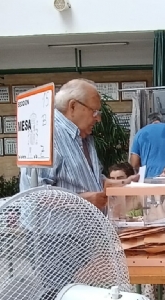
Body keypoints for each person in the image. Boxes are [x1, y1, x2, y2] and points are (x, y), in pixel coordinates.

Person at [20, 79, 128, 209]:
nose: (98, 119)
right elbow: (35, 194)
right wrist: (82, 201)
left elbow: (88, 179)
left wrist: (119, 183)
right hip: (56, 229)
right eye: (94, 112)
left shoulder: (85, 137)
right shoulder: (48, 134)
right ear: (73, 106)